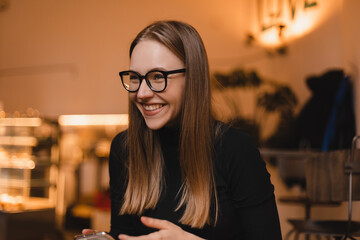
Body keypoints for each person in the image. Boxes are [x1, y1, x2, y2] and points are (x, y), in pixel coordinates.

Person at [84, 20, 282, 240]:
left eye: (157, 77)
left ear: (192, 79)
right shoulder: (124, 148)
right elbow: (125, 234)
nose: (141, 93)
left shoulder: (235, 149)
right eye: (135, 78)